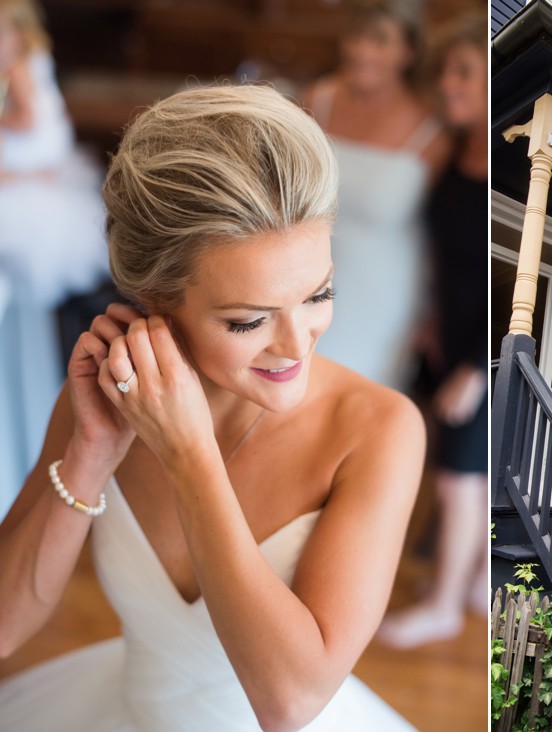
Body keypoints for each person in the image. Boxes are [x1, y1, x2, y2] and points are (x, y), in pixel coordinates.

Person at [0, 84, 424, 730]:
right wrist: (88, 454)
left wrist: (189, 454)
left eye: (318, 294)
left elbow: (290, 702)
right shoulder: (105, 400)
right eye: (249, 320)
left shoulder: (379, 430)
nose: (296, 344)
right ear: (156, 298)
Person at [376, 12, 488, 649]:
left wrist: (476, 367)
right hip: (446, 337)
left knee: (458, 476)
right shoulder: (452, 150)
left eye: (464, 73)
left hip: (482, 350)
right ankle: (468, 579)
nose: (449, 83)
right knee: (448, 467)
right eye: (446, 71)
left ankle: (446, 605)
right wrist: (427, 318)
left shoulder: (498, 155)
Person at [302, 0, 450, 390]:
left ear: (409, 51)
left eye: (380, 40)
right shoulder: (317, 99)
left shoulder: (433, 131)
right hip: (304, 280)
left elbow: (441, 230)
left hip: (383, 297)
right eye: (357, 36)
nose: (362, 51)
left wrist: (433, 312)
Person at [0, 0, 107, 308]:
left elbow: (27, 119)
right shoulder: (34, 58)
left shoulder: (16, 67)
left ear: (20, 34)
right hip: (42, 148)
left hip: (27, 144)